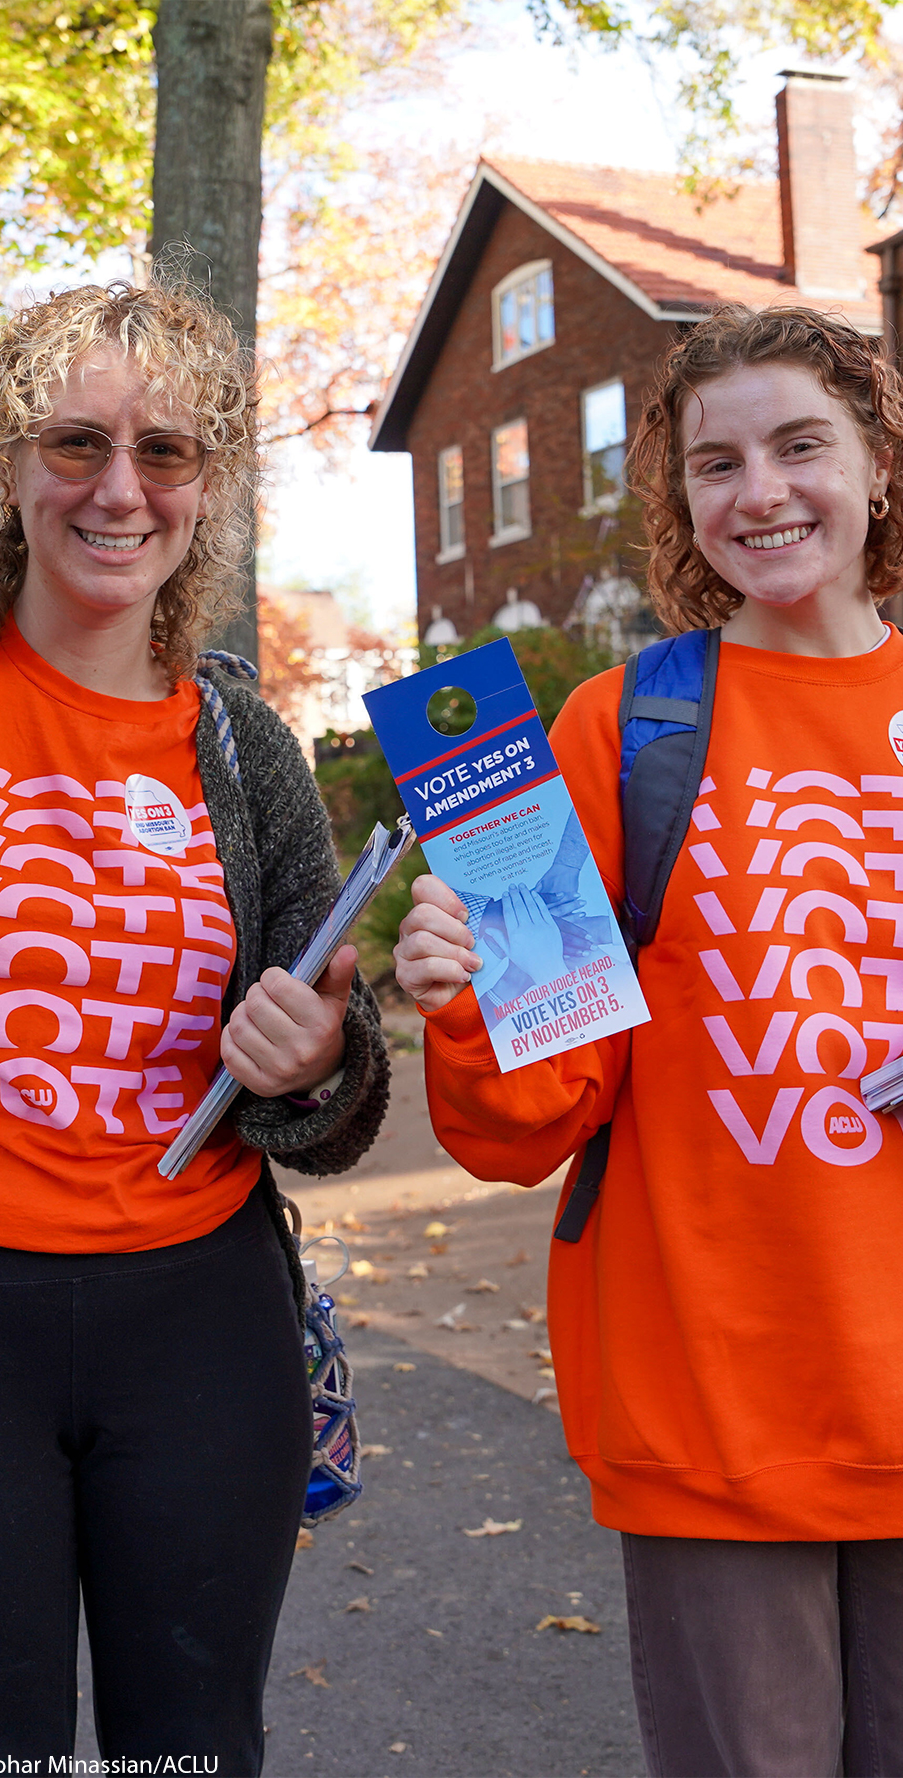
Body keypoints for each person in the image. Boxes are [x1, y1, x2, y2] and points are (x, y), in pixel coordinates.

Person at [394, 304, 903, 1777]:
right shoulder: (625, 727)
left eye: (801, 445)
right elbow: (527, 1118)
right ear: (679, 497)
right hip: (714, 1409)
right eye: (715, 461)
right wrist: (466, 998)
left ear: (876, 459)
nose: (762, 492)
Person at [0, 279, 388, 1768]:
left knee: (194, 1742)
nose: (119, 488)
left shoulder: (246, 746)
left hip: (198, 1323)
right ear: (6, 465)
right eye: (75, 442)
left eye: (165, 451)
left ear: (207, 485)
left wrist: (318, 1061)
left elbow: (337, 1115)